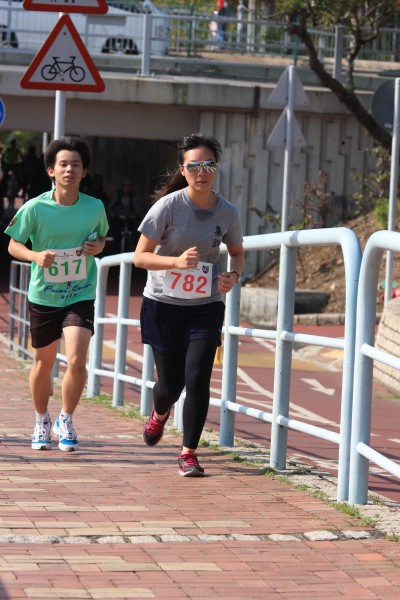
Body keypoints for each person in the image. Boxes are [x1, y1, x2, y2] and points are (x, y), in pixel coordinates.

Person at [133, 132, 244, 477]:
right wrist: (176, 263)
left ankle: (189, 453)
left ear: (217, 168)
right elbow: (140, 257)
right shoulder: (168, 207)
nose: (201, 172)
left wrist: (233, 276)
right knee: (169, 386)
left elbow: (237, 253)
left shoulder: (227, 212)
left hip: (205, 305)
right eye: (194, 166)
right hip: (163, 304)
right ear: (182, 170)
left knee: (197, 378)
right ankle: (159, 413)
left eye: (208, 165)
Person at [4, 137, 109, 452]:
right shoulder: (35, 207)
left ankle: (66, 419)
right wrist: (35, 256)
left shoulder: (94, 207)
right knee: (43, 363)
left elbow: (102, 238)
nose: (69, 170)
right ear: (51, 170)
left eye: (76, 164)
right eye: (63, 164)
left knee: (76, 360)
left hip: (80, 293)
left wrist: (97, 246)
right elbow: (13, 244)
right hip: (44, 296)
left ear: (84, 171)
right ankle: (41, 420)